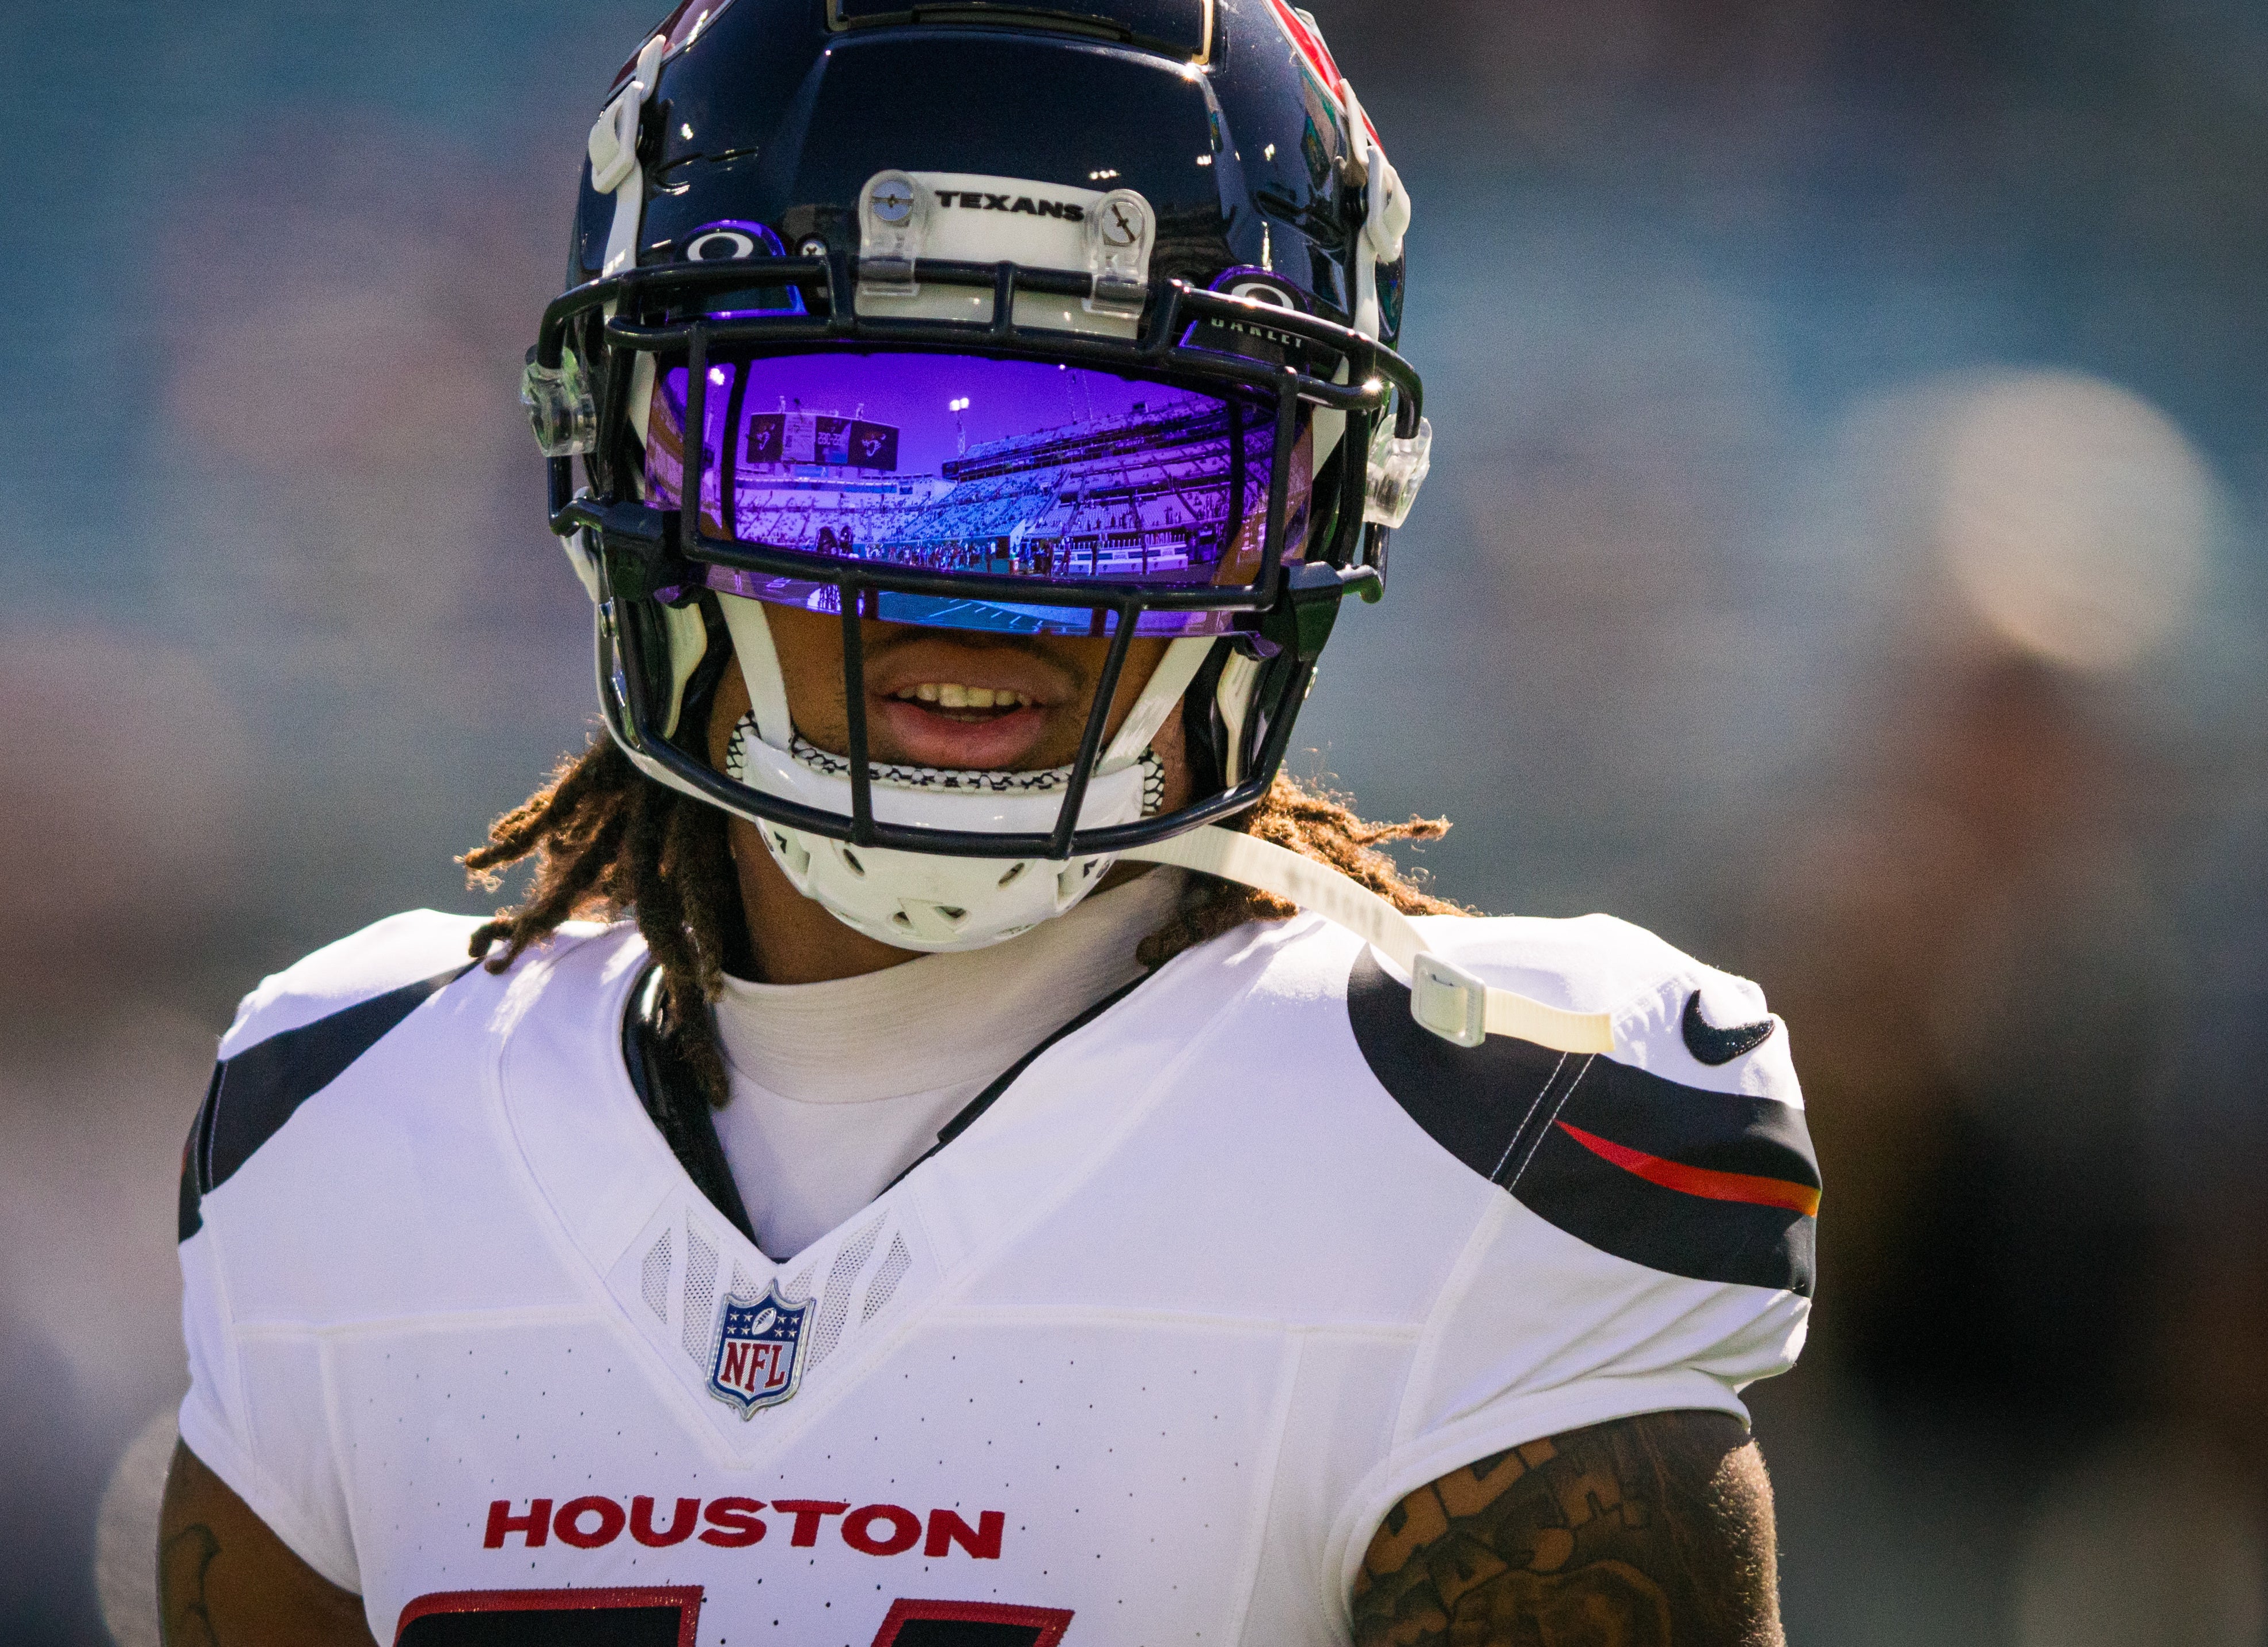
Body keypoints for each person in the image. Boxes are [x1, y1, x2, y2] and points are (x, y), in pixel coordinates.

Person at [161, 3, 1816, 1644]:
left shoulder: (1488, 1141)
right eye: (848, 464)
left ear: (1301, 507)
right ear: (644, 457)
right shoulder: (348, 1116)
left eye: (1123, 475)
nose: (965, 599)